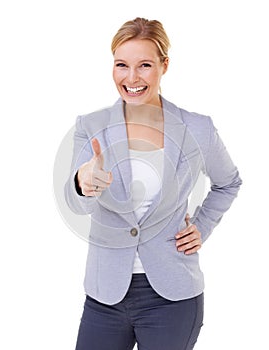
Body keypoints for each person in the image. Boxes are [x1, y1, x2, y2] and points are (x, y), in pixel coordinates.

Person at [65, 17, 242, 350]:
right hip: (105, 296)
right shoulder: (91, 126)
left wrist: (202, 227)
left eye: (144, 65)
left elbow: (228, 183)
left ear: (164, 65)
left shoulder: (197, 128)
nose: (131, 78)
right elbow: (76, 203)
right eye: (122, 65)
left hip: (172, 299)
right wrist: (82, 182)